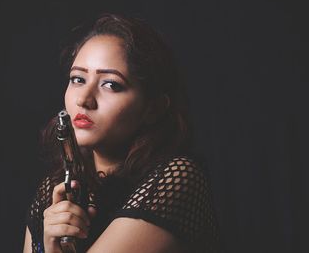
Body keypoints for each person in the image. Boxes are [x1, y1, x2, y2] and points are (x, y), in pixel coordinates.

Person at [23, 13, 218, 253]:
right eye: (77, 79)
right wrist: (50, 244)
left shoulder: (175, 179)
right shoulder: (53, 189)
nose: (84, 99)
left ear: (153, 108)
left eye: (111, 84)